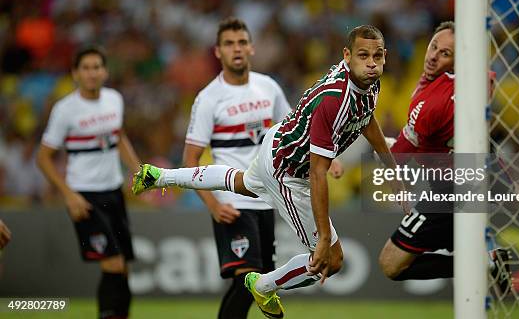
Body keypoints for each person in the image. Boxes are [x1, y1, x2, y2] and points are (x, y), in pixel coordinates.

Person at [132, 25, 395, 318]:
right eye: (363, 55)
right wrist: (322, 238)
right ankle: (263, 285)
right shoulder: (334, 98)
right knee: (330, 261)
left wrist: (392, 168)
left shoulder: (368, 82)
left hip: (277, 142)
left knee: (241, 181)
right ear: (347, 56)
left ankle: (159, 176)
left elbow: (366, 119)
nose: (372, 62)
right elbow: (317, 175)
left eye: (378, 56)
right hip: (288, 172)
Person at [378, 21, 519, 295]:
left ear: (457, 61)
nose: (432, 56)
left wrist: (382, 149)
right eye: (433, 47)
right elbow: (487, 79)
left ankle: (483, 263)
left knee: (391, 264)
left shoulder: (429, 104)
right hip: (486, 170)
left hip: (452, 191)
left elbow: (397, 160)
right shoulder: (471, 81)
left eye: (445, 54)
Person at [183, 17, 291, 319]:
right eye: (229, 44)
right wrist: (213, 204)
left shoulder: (268, 87)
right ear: (218, 52)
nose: (237, 49)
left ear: (252, 48)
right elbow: (190, 159)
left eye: (242, 42)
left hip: (265, 198)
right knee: (248, 280)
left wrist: (327, 160)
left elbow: (292, 132)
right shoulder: (208, 99)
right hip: (231, 201)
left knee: (261, 284)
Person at [37, 47, 141, 319]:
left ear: (105, 71)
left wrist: (139, 171)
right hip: (85, 196)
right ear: (75, 73)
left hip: (114, 192)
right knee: (113, 265)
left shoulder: (114, 99)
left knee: (124, 267)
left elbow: (119, 138)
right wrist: (69, 196)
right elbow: (43, 157)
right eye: (86, 68)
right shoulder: (65, 109)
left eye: (97, 67)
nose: (92, 73)